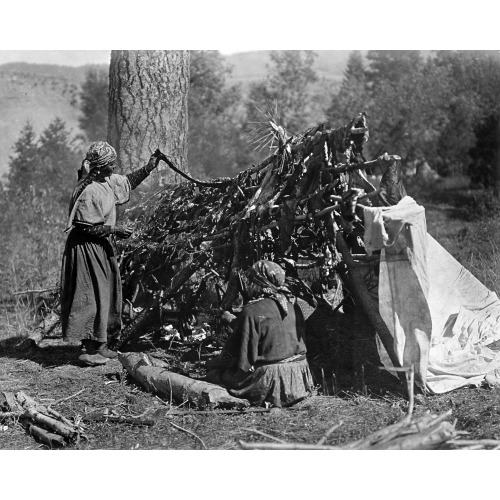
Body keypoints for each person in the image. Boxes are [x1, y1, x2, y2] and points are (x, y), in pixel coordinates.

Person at [60, 141, 162, 366]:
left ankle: (101, 344)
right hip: (86, 248)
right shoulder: (88, 190)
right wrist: (115, 229)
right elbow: (85, 226)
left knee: (106, 294)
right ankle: (87, 349)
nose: (115, 167)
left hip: (101, 246)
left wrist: (148, 167)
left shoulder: (106, 181)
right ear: (97, 167)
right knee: (90, 296)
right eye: (110, 164)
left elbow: (127, 182)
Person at [205, 260, 314, 407]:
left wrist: (212, 364)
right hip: (300, 377)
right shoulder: (296, 305)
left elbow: (233, 358)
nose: (249, 284)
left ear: (258, 281)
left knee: (215, 375)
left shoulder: (251, 311)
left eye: (250, 280)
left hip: (271, 379)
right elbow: (271, 326)